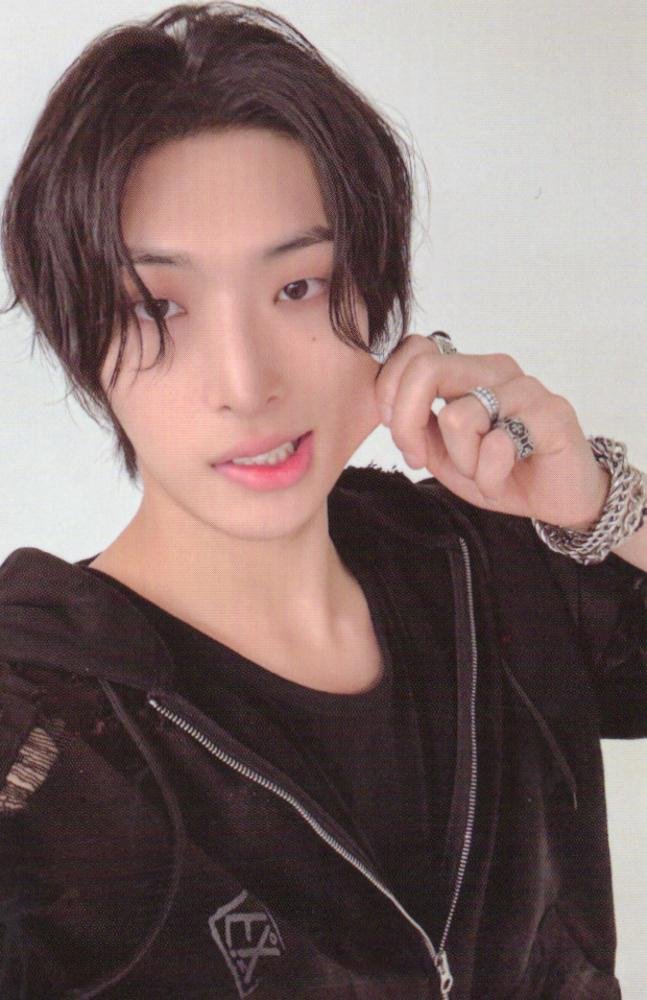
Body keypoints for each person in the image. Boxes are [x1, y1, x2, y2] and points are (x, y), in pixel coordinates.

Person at [0, 3, 645, 998]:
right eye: (156, 307)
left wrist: (600, 505)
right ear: (82, 339)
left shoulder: (492, 565)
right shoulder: (35, 731)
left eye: (297, 287)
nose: (244, 382)